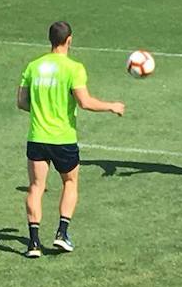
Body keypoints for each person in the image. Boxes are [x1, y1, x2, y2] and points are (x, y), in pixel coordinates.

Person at [17, 21, 125, 258]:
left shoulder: (33, 66)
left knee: (36, 187)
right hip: (63, 138)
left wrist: (41, 112)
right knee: (70, 183)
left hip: (37, 137)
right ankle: (62, 234)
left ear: (50, 39)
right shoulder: (73, 68)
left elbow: (22, 102)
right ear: (69, 40)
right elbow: (85, 102)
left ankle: (33, 243)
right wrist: (111, 106)